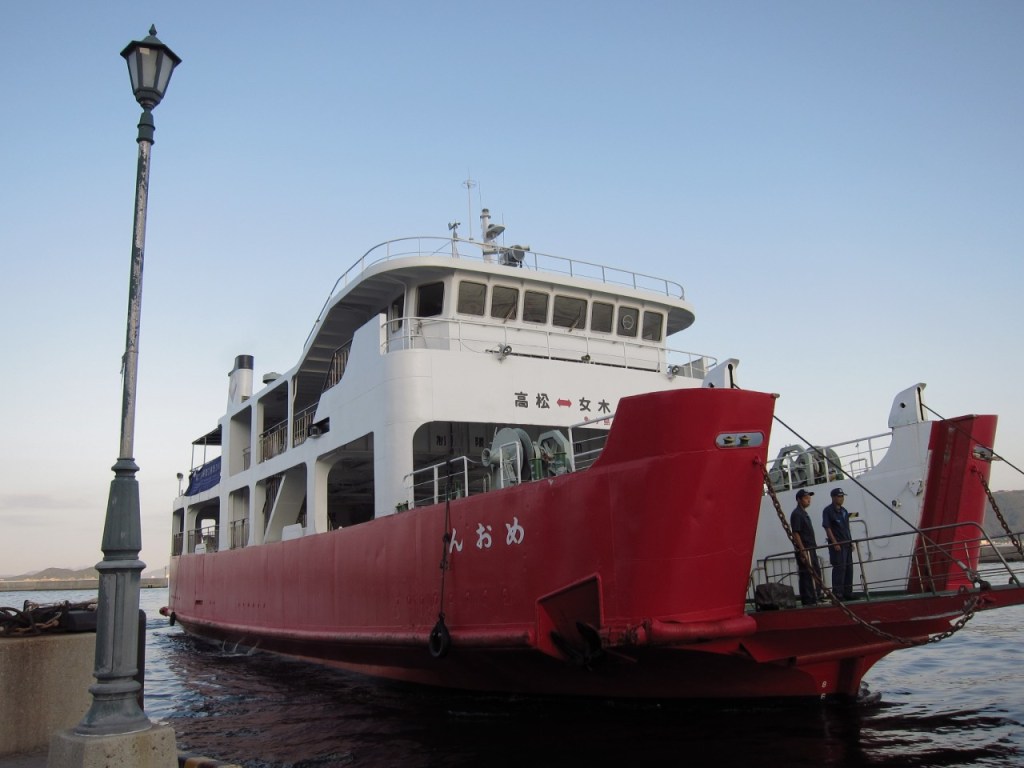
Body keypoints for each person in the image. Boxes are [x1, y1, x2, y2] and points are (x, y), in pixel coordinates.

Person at [790, 489, 822, 605]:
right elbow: (796, 533)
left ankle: (816, 595)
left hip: (810, 548)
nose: (809, 500)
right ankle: (809, 599)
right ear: (799, 500)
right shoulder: (797, 514)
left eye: (809, 497)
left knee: (815, 571)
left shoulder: (803, 513)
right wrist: (802, 550)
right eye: (806, 498)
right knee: (807, 574)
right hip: (805, 548)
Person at [822, 488, 855, 599]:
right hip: (838, 545)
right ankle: (838, 593)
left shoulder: (844, 511)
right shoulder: (828, 511)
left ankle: (848, 592)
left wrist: (851, 541)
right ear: (833, 497)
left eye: (842, 496)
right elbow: (827, 527)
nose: (841, 499)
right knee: (839, 569)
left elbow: (847, 528)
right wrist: (834, 542)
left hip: (847, 544)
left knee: (849, 568)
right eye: (839, 496)